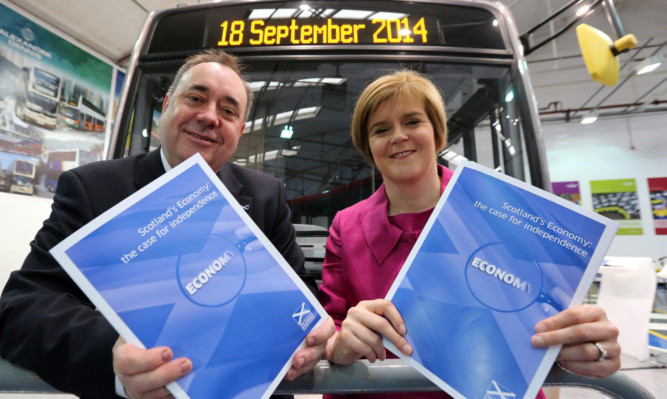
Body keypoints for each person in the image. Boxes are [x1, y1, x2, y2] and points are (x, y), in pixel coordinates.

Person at [0, 49, 334, 399]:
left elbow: (301, 297)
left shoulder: (265, 197)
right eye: (195, 98)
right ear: (167, 104)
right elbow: (21, 309)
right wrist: (113, 354)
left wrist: (312, 333)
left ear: (240, 130)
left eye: (228, 110)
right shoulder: (94, 190)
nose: (209, 117)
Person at [319, 70, 621, 399]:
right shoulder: (346, 227)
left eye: (412, 122)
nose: (398, 136)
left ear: (436, 132)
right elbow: (330, 327)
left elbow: (548, 317)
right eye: (381, 129)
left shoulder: (506, 214)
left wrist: (588, 349)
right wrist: (338, 344)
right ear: (369, 146)